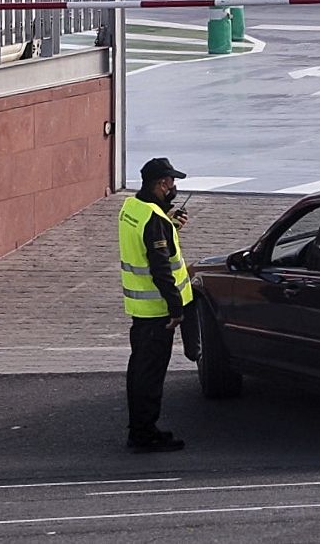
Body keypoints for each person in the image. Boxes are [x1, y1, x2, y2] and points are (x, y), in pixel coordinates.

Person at [119, 156, 196, 452]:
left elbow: (146, 240)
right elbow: (161, 268)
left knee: (139, 371)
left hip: (140, 311)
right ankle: (143, 434)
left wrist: (170, 224)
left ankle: (141, 428)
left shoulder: (132, 208)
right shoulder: (154, 220)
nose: (174, 187)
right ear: (162, 184)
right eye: (172, 182)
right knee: (149, 376)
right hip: (157, 313)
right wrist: (176, 309)